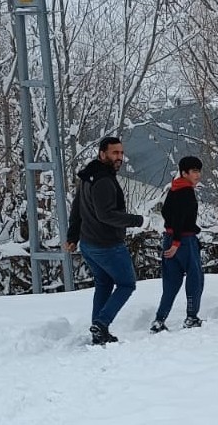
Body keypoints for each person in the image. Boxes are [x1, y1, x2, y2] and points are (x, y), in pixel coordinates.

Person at [64, 136, 145, 345]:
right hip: (107, 244)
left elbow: (76, 209)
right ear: (102, 154)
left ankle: (98, 332)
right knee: (127, 284)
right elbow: (106, 215)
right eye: (114, 153)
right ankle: (101, 323)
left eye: (121, 153)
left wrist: (72, 237)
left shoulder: (88, 176)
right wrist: (136, 220)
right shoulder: (104, 181)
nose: (119, 157)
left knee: (104, 283)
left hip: (89, 244)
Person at [150, 155, 205, 333]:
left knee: (171, 282)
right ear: (184, 173)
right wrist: (177, 242)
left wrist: (172, 238)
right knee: (195, 279)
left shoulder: (173, 189)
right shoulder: (187, 191)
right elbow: (181, 218)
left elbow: (166, 212)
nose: (198, 175)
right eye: (194, 171)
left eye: (199, 171)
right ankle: (191, 316)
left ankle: (159, 320)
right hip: (184, 241)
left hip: (169, 238)